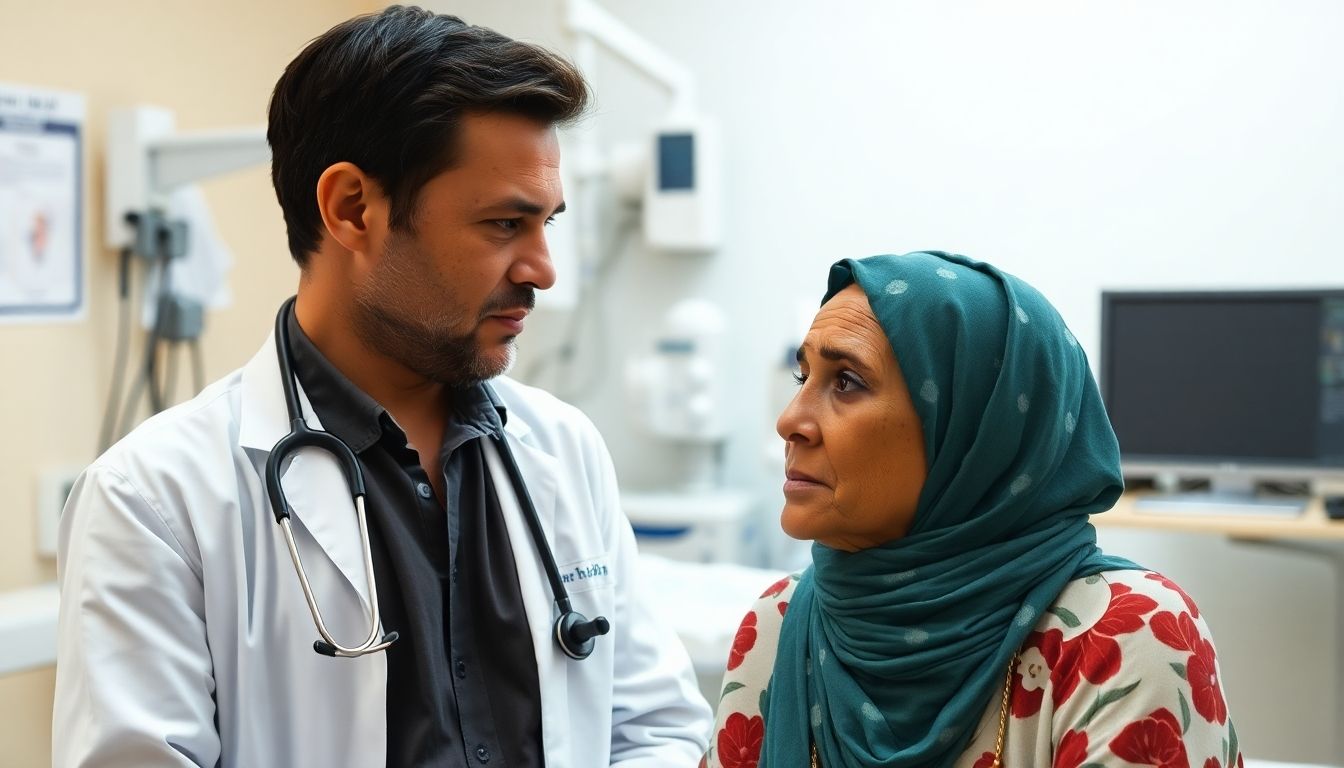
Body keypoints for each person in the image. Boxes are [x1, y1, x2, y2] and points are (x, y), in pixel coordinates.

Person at [53, 7, 711, 767]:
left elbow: (655, 726)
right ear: (352, 209)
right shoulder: (155, 501)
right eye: (504, 224)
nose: (542, 269)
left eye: (547, 225)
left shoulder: (561, 449)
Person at [705, 252, 1240, 768]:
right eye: (804, 379)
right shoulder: (780, 622)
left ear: (976, 434)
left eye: (846, 381)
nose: (790, 420)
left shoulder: (1123, 636)